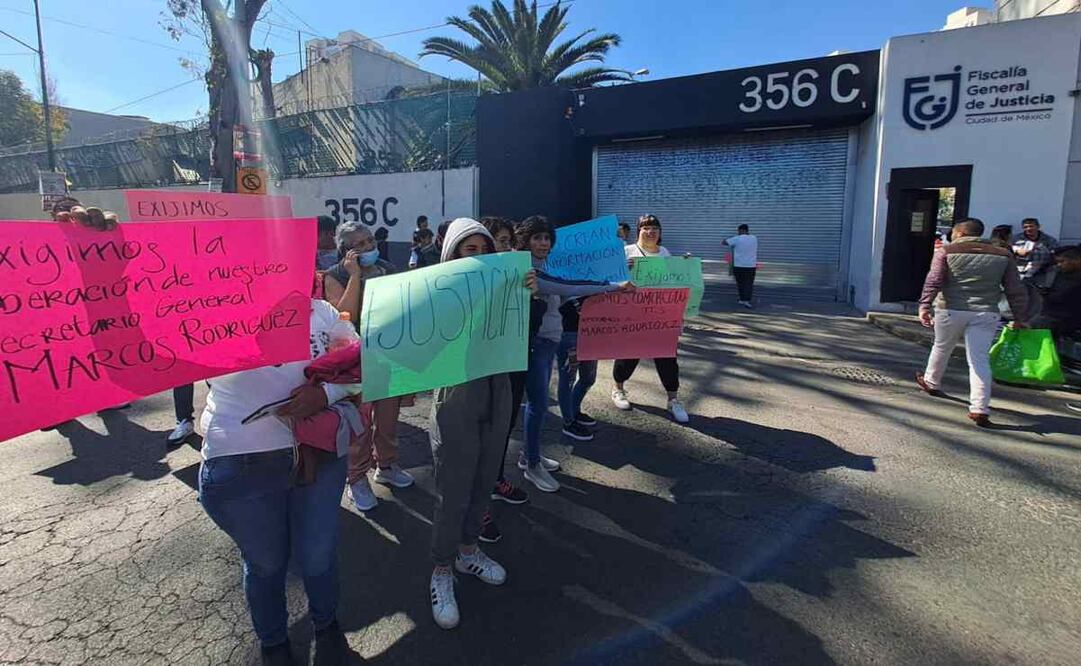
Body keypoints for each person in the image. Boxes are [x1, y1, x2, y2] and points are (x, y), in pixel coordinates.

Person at [198, 297, 358, 664]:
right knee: (266, 563)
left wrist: (327, 393)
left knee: (318, 556)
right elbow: (140, 358)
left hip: (318, 457)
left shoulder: (324, 311)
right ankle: (273, 643)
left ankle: (327, 626)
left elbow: (364, 364)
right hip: (241, 463)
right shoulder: (208, 305)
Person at [427, 217, 537, 630]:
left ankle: (469, 550)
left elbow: (518, 330)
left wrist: (527, 292)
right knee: (453, 487)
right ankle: (441, 569)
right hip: (456, 391)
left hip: (499, 387)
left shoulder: (508, 285)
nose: (477, 257)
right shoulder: (435, 291)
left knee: (485, 477)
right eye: (467, 250)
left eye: (484, 250)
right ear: (451, 255)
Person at [519, 215, 631, 493]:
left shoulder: (541, 267)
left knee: (538, 405)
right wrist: (614, 285)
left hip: (545, 345)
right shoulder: (531, 271)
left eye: (547, 238)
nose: (543, 243)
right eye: (537, 238)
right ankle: (532, 465)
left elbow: (567, 293)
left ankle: (528, 455)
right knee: (538, 406)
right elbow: (571, 287)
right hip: (536, 346)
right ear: (526, 241)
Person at [322, 222, 415, 510]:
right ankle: (356, 478)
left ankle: (386, 466)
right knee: (359, 425)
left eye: (369, 241)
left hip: (387, 357)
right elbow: (343, 316)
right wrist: (354, 276)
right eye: (358, 245)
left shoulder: (387, 269)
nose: (367, 248)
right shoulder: (334, 275)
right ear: (345, 251)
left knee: (387, 420)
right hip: (355, 362)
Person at [916, 218, 1029, 427]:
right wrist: (1021, 317)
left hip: (950, 309)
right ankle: (979, 408)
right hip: (986, 312)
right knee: (978, 360)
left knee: (941, 347)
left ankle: (932, 381)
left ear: (959, 233)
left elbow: (934, 280)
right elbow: (1015, 289)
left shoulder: (947, 251)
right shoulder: (1003, 255)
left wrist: (924, 306)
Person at [612, 214, 690, 424]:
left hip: (661, 316)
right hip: (632, 315)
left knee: (667, 358)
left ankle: (673, 399)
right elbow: (610, 280)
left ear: (660, 233)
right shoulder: (626, 251)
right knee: (628, 354)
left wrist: (684, 267)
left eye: (655, 227)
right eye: (646, 227)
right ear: (639, 231)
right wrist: (622, 269)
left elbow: (673, 283)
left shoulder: (665, 253)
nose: (651, 231)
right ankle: (618, 389)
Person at [1029, 245, 1081, 335]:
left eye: (1062, 261)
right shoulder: (1056, 274)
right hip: (1052, 318)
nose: (1059, 265)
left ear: (1076, 261)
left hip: (1069, 321)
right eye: (1057, 262)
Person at [1012, 218, 1059, 291]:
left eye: (1031, 226)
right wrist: (1016, 250)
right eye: (1025, 227)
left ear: (1038, 226)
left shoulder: (1049, 240)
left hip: (1042, 271)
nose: (1028, 229)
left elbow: (1056, 255)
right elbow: (1007, 250)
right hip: (1021, 270)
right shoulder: (1015, 239)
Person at [723, 224, 759, 308]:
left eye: (738, 231)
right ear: (747, 230)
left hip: (739, 265)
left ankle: (743, 299)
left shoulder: (737, 238)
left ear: (740, 230)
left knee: (740, 283)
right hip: (751, 265)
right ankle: (746, 300)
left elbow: (724, 242)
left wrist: (731, 239)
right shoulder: (754, 238)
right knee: (749, 283)